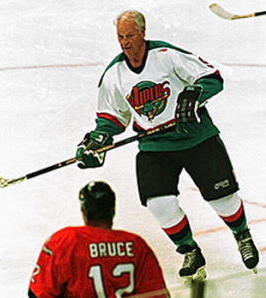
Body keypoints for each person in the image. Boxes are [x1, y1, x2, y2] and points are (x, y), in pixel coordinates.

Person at [75, 10, 259, 281]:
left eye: (130, 36)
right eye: (120, 37)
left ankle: (242, 234)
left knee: (222, 199)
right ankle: (190, 250)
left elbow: (211, 77)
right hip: (154, 145)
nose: (125, 42)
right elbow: (111, 118)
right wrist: (99, 138)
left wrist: (195, 93)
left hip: (197, 136)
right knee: (159, 203)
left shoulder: (166, 55)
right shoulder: (114, 74)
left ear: (142, 33)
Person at [28, 181, 170, 297]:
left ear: (84, 211)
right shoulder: (136, 245)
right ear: (112, 210)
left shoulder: (65, 241)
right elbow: (155, 294)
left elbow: (39, 293)